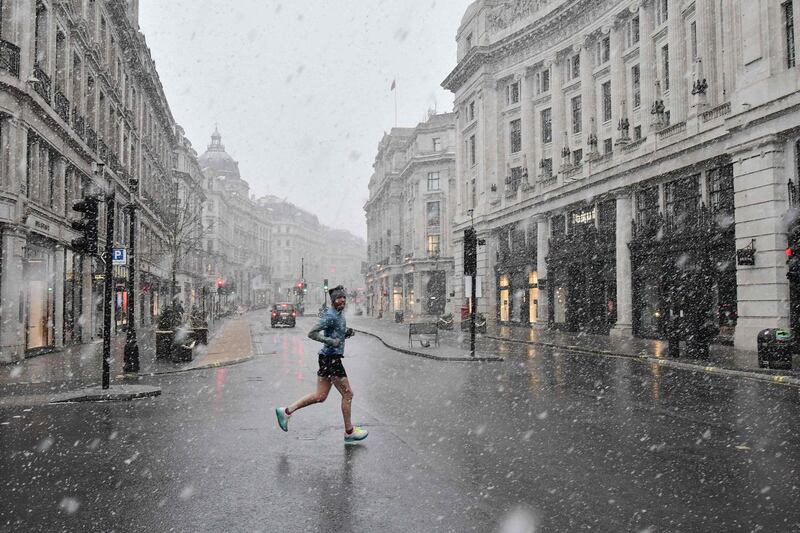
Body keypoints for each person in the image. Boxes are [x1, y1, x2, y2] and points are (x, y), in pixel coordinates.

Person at [275, 285, 368, 444]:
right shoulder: (330, 315)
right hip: (331, 359)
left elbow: (336, 333)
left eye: (344, 297)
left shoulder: (338, 315)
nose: (342, 300)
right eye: (339, 298)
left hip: (327, 358)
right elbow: (312, 333)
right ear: (333, 301)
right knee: (348, 394)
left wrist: (345, 334)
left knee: (320, 396)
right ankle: (349, 432)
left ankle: (286, 411)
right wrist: (331, 341)